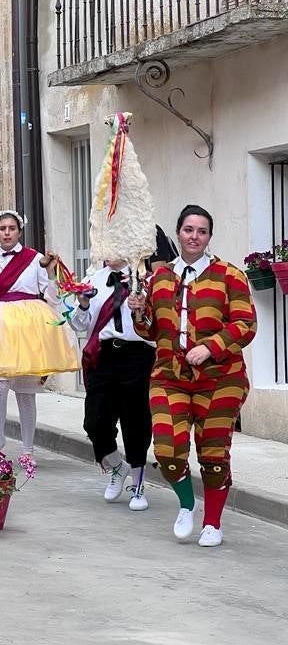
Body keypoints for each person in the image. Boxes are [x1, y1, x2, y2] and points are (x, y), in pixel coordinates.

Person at [128, 204, 256, 547]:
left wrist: (212, 347)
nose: (194, 236)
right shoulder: (158, 278)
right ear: (179, 233)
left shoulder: (229, 275)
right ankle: (186, 504)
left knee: (213, 453)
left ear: (209, 237)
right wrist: (139, 313)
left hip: (221, 378)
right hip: (169, 375)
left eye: (201, 231)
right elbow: (150, 331)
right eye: (188, 230)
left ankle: (212, 522)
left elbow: (245, 324)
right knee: (168, 450)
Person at [0, 210, 80, 459]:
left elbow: (51, 297)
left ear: (19, 231)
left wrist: (52, 275)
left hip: (28, 329)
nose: (7, 233)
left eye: (11, 228)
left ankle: (28, 449)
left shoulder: (35, 259)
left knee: (25, 392)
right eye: (2, 228)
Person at [71, 258, 155, 512]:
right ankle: (117, 466)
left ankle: (138, 485)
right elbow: (78, 324)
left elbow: (158, 324)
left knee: (136, 422)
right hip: (103, 354)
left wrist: (143, 306)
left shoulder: (147, 279)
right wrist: (83, 303)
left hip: (138, 355)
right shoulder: (94, 278)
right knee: (94, 422)